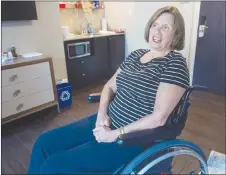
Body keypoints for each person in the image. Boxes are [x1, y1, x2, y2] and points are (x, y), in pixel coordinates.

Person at [27, 6, 190, 174]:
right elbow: (109, 86)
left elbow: (159, 118)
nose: (157, 31)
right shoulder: (136, 55)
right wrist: (100, 115)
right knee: (44, 143)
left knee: (54, 166)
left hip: (131, 138)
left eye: (166, 27)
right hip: (106, 121)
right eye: (155, 25)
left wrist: (114, 134)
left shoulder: (175, 64)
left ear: (175, 35)